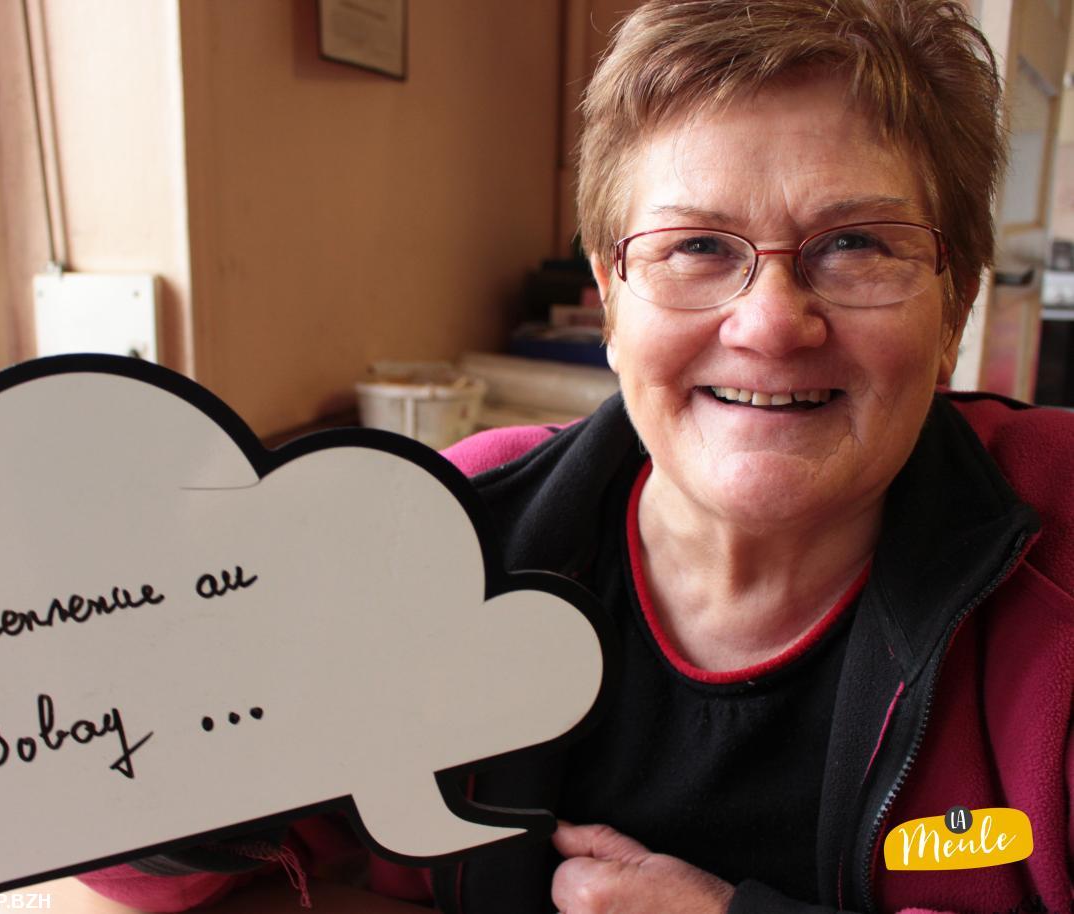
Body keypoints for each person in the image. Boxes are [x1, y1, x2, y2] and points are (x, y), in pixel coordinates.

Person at [79, 1, 1074, 911]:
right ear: (608, 296)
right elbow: (133, 857)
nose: (771, 323)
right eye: (696, 246)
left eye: (855, 242)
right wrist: (166, 686)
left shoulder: (1059, 542)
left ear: (952, 307)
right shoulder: (454, 526)